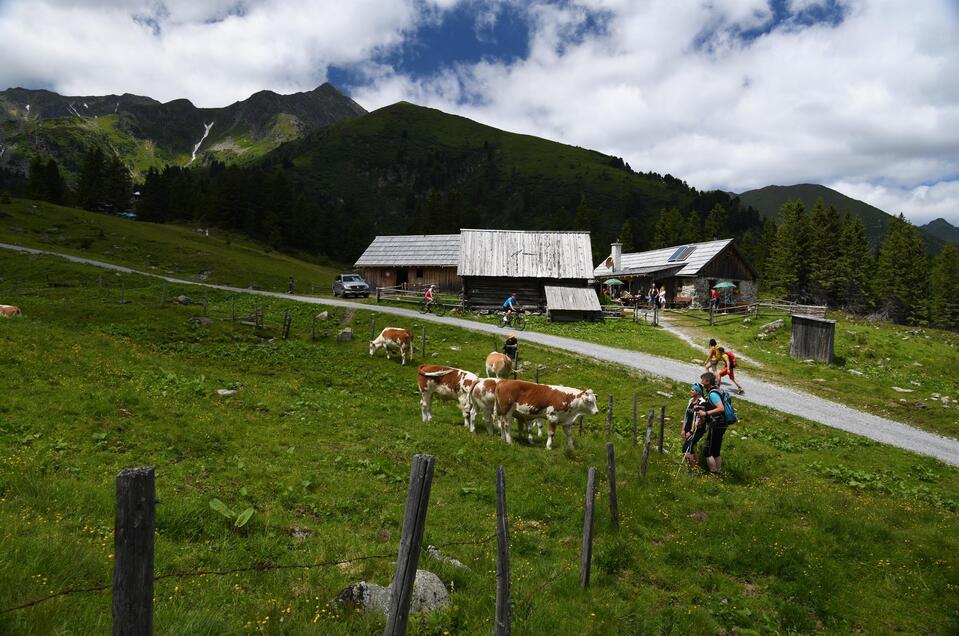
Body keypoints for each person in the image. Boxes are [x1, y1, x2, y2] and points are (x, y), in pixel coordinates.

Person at [695, 372, 730, 475]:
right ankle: (718, 472)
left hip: (717, 423)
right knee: (715, 450)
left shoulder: (713, 393)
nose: (701, 382)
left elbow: (720, 408)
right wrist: (702, 407)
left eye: (703, 380)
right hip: (721, 423)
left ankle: (714, 474)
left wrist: (705, 413)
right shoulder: (717, 390)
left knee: (707, 450)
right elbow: (714, 406)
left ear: (708, 381)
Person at [682, 383, 708, 473]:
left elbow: (699, 419)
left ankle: (691, 470)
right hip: (688, 428)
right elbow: (686, 415)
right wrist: (683, 429)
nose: (691, 391)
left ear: (698, 391)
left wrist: (691, 431)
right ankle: (696, 467)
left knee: (686, 449)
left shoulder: (702, 402)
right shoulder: (690, 400)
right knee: (691, 447)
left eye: (693, 390)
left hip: (697, 429)